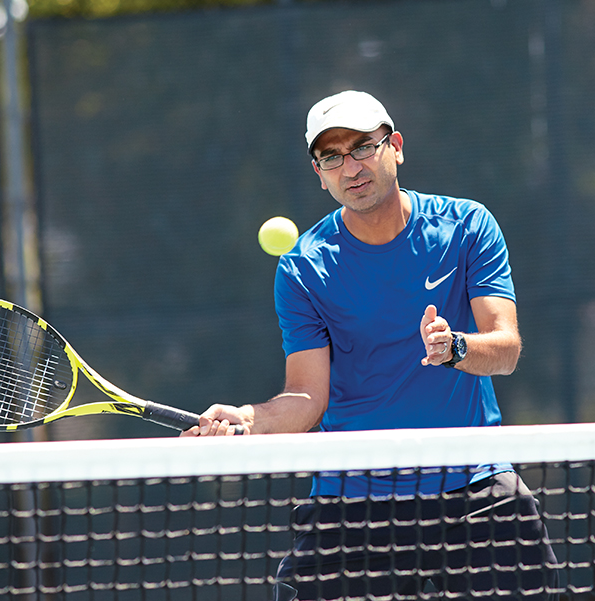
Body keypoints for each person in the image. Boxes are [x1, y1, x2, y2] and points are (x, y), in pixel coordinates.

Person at [181, 90, 558, 600]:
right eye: (331, 157)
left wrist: (457, 348)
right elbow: (307, 397)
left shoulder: (467, 226)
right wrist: (248, 420)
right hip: (353, 502)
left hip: (475, 488)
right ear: (319, 172)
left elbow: (506, 347)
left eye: (362, 147)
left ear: (396, 146)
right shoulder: (302, 268)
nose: (350, 167)